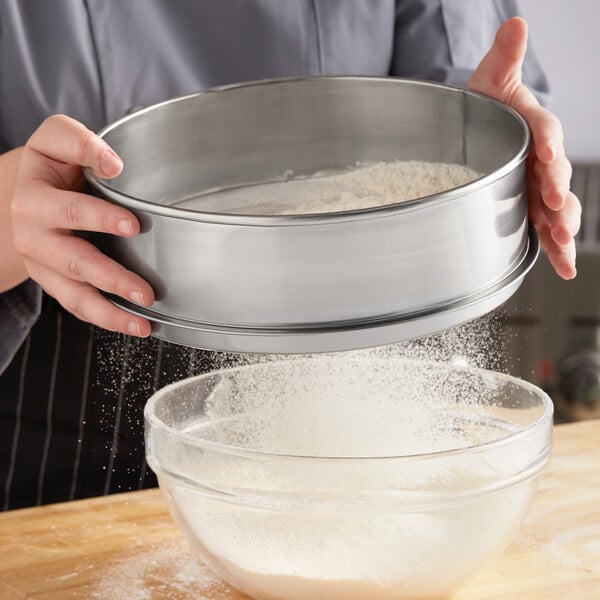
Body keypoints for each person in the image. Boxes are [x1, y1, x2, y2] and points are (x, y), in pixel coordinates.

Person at [0, 1, 581, 511]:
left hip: (364, 335)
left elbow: (462, 74)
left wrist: (475, 132)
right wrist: (14, 209)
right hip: (65, 376)